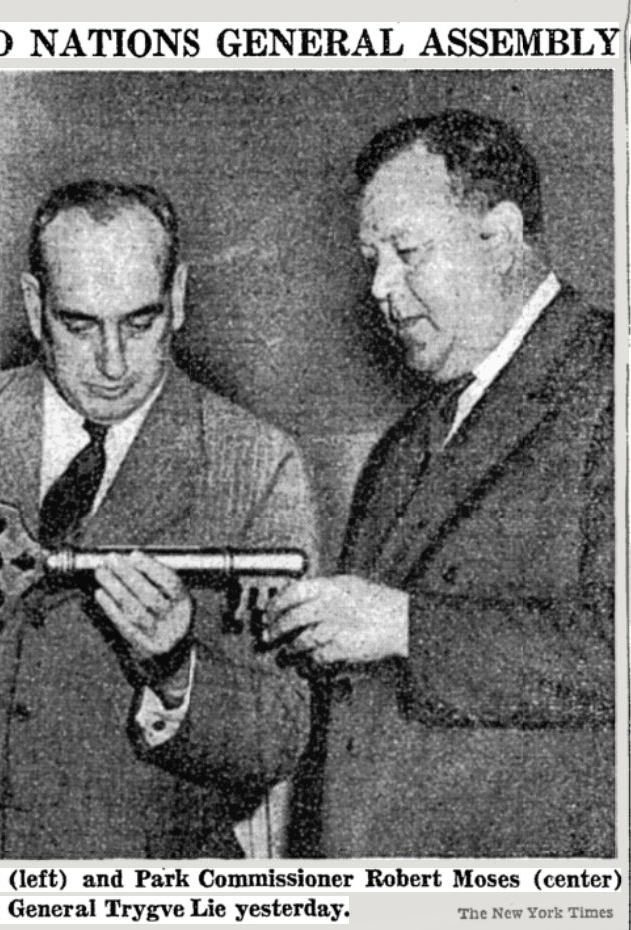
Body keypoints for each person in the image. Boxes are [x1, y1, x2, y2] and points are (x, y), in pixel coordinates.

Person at [0, 180, 319, 858]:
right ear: (34, 306)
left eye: (139, 323)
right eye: (79, 325)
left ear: (177, 299)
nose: (112, 364)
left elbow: (278, 739)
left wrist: (176, 670)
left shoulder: (257, 462)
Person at [266, 110, 615, 857]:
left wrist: (404, 626)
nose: (381, 289)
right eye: (372, 260)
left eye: (406, 251)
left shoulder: (609, 385)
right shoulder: (402, 446)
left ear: (499, 238)